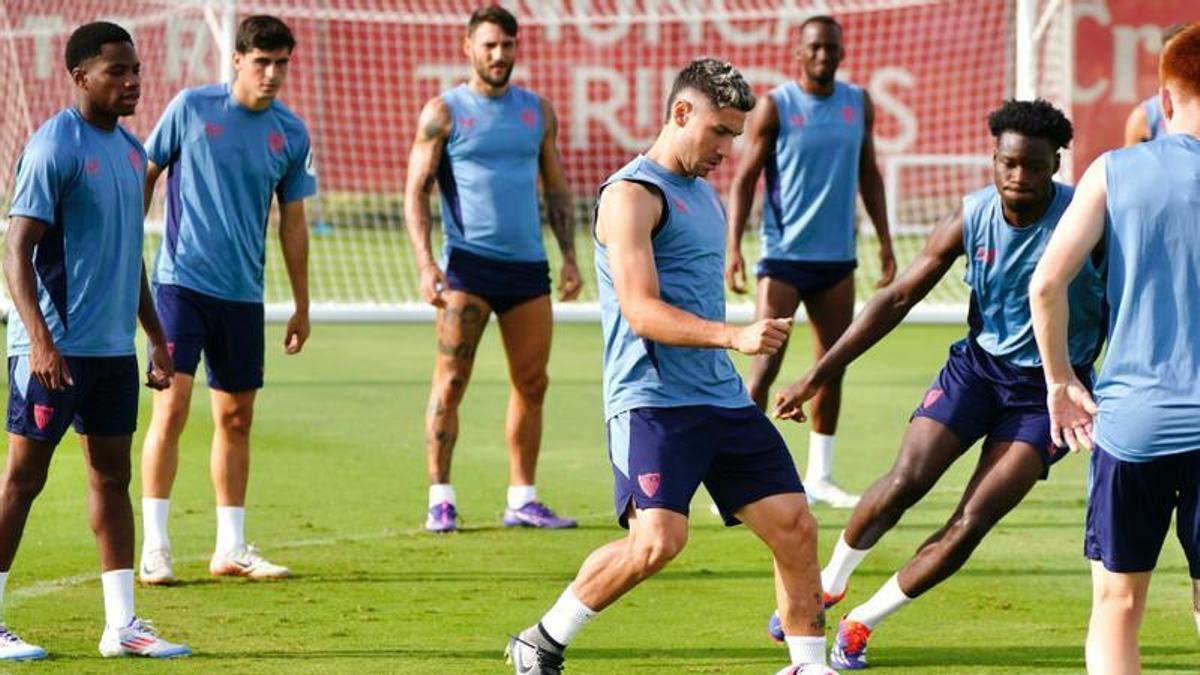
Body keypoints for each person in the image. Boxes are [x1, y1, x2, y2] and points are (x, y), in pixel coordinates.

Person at [505, 58, 832, 675]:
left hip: (723, 399)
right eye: (719, 132)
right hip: (653, 400)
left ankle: (808, 665)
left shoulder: (701, 194)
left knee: (795, 526)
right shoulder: (630, 196)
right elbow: (641, 311)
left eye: (736, 135)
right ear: (681, 113)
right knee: (658, 541)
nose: (727, 149)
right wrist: (734, 335)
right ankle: (541, 640)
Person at [772, 100, 1105, 669]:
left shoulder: (1086, 222)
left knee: (971, 521)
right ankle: (827, 584)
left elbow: (1129, 303)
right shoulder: (971, 216)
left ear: (1056, 164)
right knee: (904, 481)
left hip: (1047, 393)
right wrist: (814, 376)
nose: (1017, 177)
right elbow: (898, 297)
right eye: (1007, 163)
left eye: (1032, 166)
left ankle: (859, 624)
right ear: (993, 160)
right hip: (976, 371)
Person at [0, 21, 191, 658]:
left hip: (112, 352)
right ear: (81, 76)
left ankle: (122, 627)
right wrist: (42, 341)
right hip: (51, 352)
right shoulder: (53, 146)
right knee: (23, 480)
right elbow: (16, 250)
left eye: (136, 69)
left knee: (111, 479)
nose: (133, 81)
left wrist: (156, 337)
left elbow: (128, 255)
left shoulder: (134, 153)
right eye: (118, 71)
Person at [1030, 24, 1200, 675]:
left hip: (1134, 423)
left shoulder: (1115, 170)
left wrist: (1059, 378)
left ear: (1163, 98)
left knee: (1118, 600)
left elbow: (1046, 284)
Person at [137, 14, 317, 584]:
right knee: (172, 407)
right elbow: (145, 173)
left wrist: (302, 303)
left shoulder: (290, 133)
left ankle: (231, 547)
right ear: (237, 59)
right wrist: (125, 256)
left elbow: (293, 222)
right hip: (180, 283)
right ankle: (156, 546)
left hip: (243, 295)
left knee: (237, 418)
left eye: (281, 63)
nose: (272, 74)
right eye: (262, 62)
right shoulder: (192, 108)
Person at [404, 5, 581, 533]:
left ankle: (522, 498)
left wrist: (569, 256)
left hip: (528, 269)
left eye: (507, 45)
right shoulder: (444, 112)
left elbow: (555, 188)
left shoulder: (538, 112)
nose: (499, 55)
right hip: (468, 268)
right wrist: (424, 261)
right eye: (489, 46)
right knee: (451, 379)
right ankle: (441, 497)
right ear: (468, 48)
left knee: (532, 383)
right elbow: (417, 189)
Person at [726, 15, 895, 508]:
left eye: (832, 48)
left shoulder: (857, 103)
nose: (824, 56)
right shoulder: (776, 106)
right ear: (797, 53)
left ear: (842, 52)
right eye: (815, 48)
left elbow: (869, 173)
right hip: (782, 259)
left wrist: (885, 241)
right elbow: (744, 179)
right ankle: (738, 476)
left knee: (830, 367)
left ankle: (819, 475)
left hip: (837, 261)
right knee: (763, 370)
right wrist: (733, 247)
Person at [1122, 23, 1191, 146]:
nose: (1180, 64)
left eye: (1187, 56)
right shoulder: (1143, 118)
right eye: (1171, 57)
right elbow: (1130, 164)